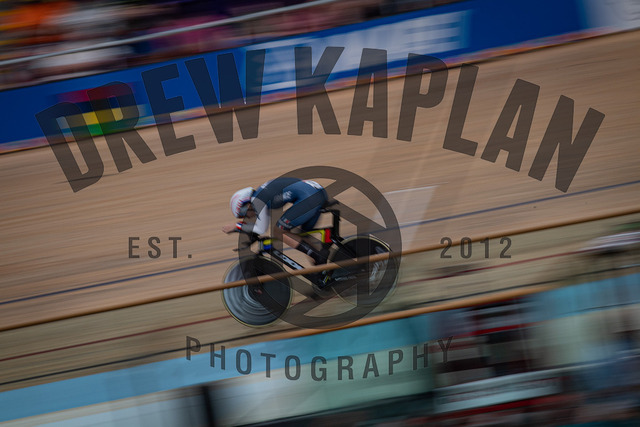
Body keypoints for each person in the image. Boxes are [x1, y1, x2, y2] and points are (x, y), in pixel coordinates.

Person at [222, 177, 330, 265]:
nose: (247, 217)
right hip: (316, 192)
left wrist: (236, 226)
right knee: (301, 235)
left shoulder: (257, 200)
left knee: (278, 231)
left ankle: (318, 257)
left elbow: (261, 229)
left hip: (309, 196)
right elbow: (261, 224)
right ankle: (322, 268)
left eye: (243, 215)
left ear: (246, 206)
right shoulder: (262, 194)